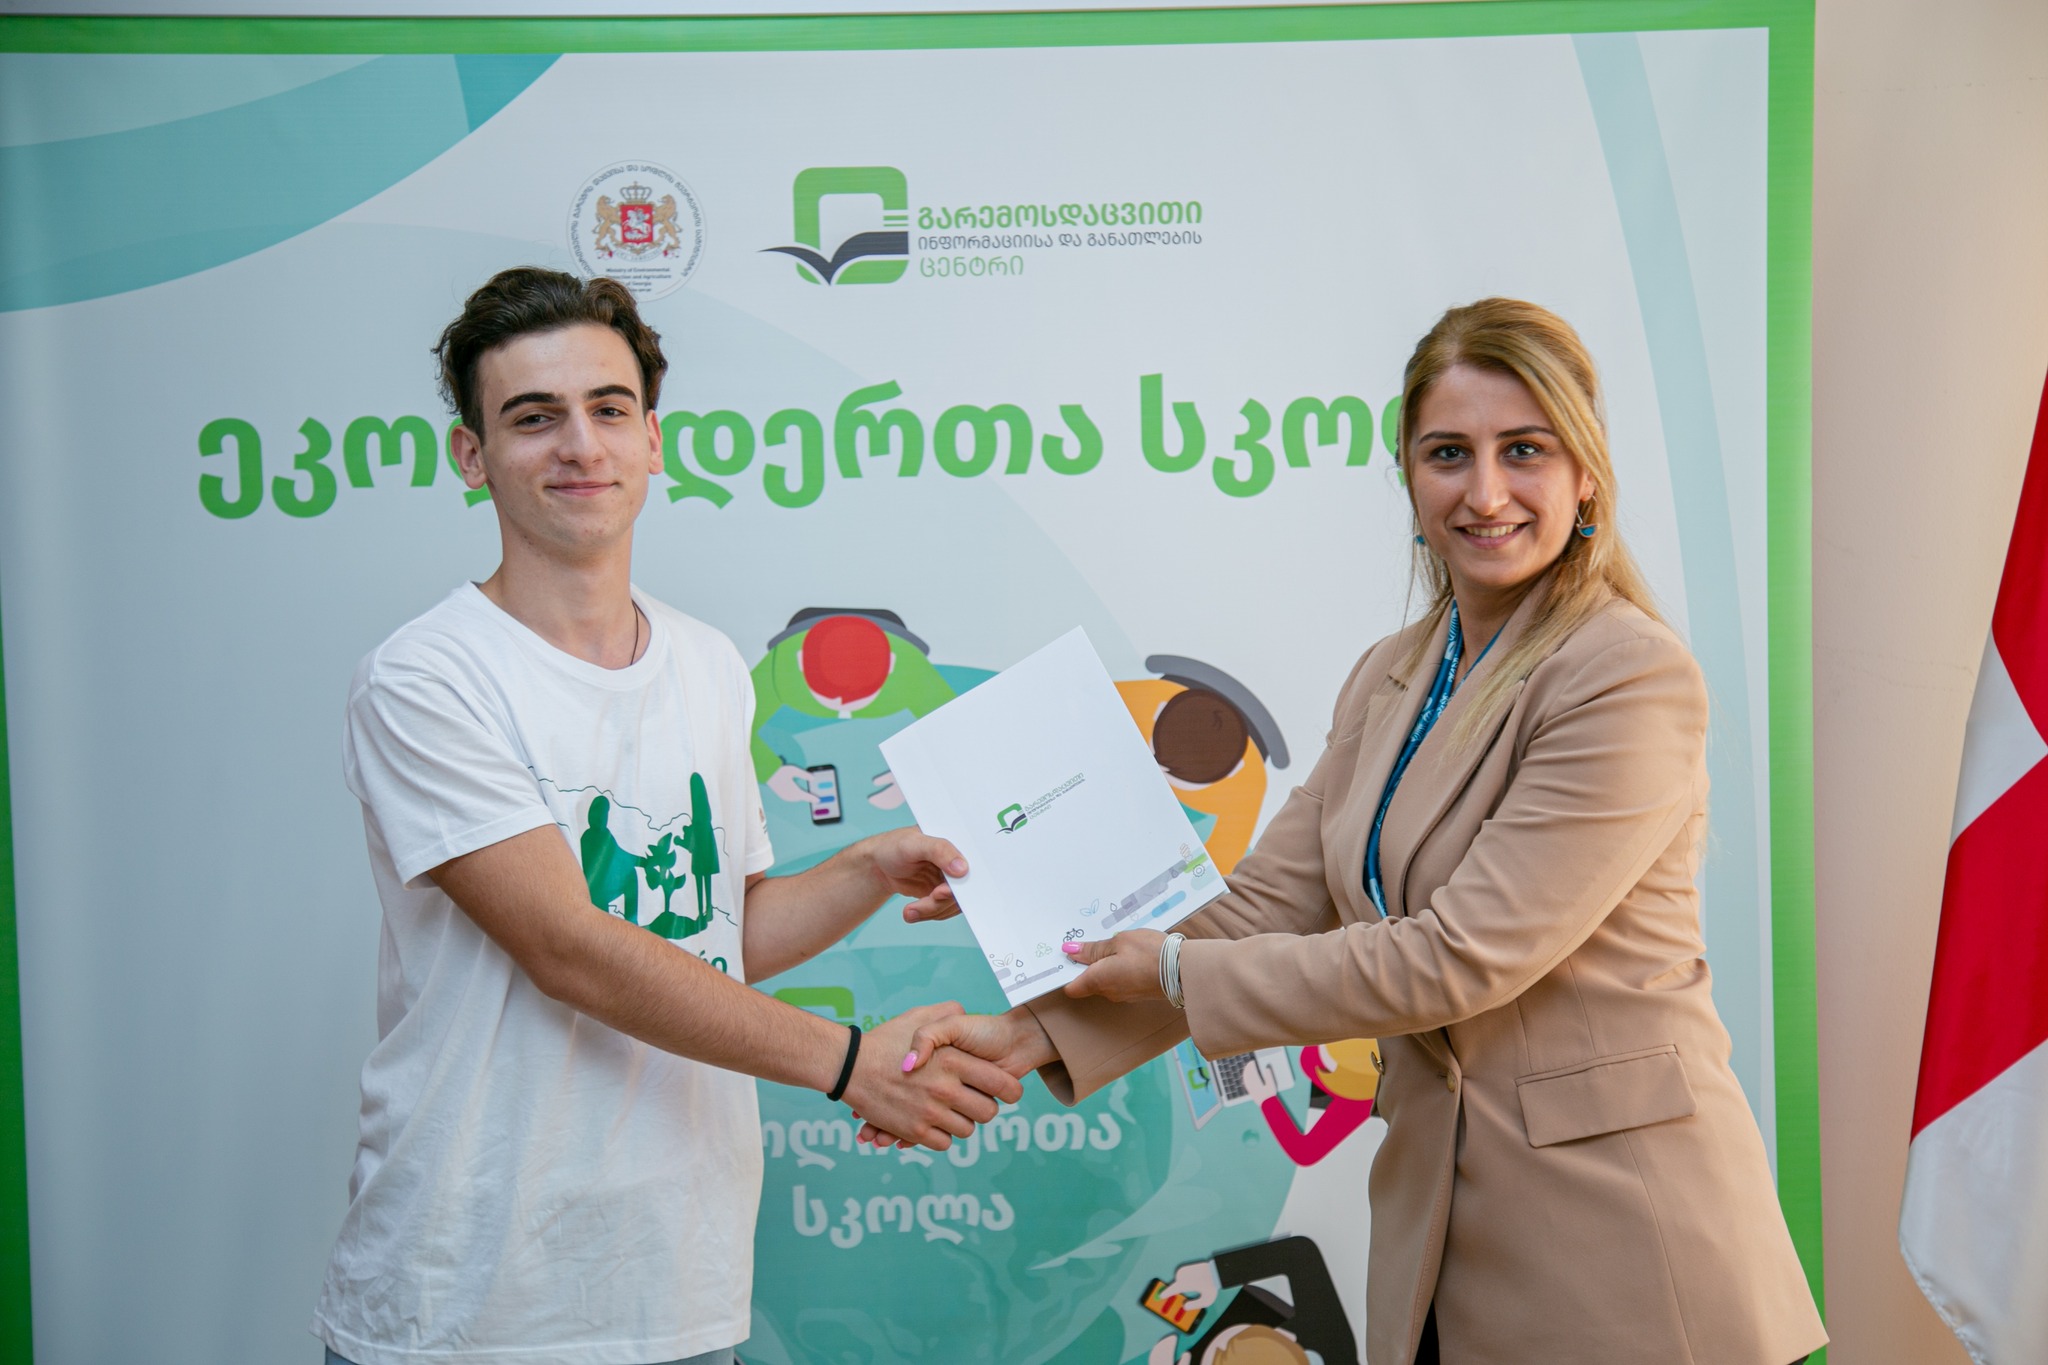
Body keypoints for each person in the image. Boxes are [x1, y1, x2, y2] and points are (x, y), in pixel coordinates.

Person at [890, 299, 1828, 1364]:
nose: (1484, 492)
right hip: (1442, 1229)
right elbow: (1262, 905)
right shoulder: (1393, 673)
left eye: (1524, 450)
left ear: (1586, 478)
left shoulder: (1626, 675)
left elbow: (1457, 956)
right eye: (1447, 453)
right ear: (1409, 479)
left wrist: (1172, 972)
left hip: (1623, 1238)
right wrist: (1028, 1035)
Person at [310, 267, 1018, 1365]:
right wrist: (848, 1062)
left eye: (608, 409)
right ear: (471, 456)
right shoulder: (427, 678)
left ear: (652, 439)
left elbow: (717, 938)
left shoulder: (707, 661)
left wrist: (866, 868)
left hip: (677, 1286)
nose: (579, 445)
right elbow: (570, 949)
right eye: (532, 418)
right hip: (468, 1300)